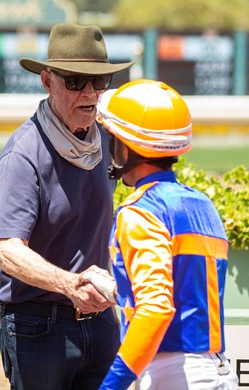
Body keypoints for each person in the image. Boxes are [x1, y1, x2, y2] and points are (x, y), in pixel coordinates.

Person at [0, 23, 133, 390]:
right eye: (74, 81)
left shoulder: (108, 138)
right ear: (46, 80)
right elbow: (9, 253)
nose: (89, 92)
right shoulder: (23, 153)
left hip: (101, 321)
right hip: (37, 328)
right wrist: (71, 286)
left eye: (99, 81)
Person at [90, 79, 239, 389]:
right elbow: (183, 291)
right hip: (217, 371)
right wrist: (115, 290)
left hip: (170, 374)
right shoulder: (202, 205)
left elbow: (156, 308)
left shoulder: (139, 211)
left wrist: (111, 385)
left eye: (110, 137)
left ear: (125, 146)